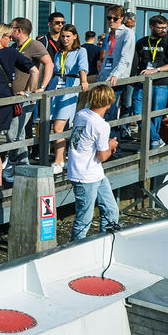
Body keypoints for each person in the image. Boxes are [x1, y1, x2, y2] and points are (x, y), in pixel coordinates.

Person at [0, 23, 38, 198]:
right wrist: (30, 92)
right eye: (8, 37)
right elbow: (34, 71)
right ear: (0, 37)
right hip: (5, 100)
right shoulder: (12, 53)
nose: (11, 40)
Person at [3, 18, 52, 183]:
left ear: (19, 30)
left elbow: (49, 64)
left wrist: (42, 87)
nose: (9, 31)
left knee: (13, 134)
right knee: (19, 133)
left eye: (11, 28)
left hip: (26, 97)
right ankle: (23, 164)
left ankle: (12, 162)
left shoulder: (35, 45)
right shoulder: (13, 47)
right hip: (12, 96)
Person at [68, 84, 120, 240]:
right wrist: (111, 145)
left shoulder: (81, 114)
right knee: (84, 219)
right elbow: (102, 156)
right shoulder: (101, 125)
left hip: (91, 172)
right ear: (108, 103)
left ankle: (105, 241)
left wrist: (106, 145)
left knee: (111, 210)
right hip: (86, 175)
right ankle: (75, 249)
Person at [131, 15, 168, 150]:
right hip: (142, 82)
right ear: (151, 27)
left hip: (161, 82)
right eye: (160, 28)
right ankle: (155, 139)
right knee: (138, 112)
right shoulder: (141, 42)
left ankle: (149, 144)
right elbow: (136, 62)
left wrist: (156, 70)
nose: (164, 30)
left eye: (165, 27)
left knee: (156, 115)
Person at [50, 24, 89, 173]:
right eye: (63, 36)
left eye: (68, 36)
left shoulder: (80, 51)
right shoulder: (59, 52)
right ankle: (64, 159)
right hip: (56, 87)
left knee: (58, 127)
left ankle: (58, 161)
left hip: (70, 87)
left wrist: (84, 81)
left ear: (75, 36)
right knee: (61, 126)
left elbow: (82, 67)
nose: (65, 39)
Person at [97, 5, 136, 154]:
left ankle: (114, 148)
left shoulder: (127, 33)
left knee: (111, 114)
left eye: (115, 18)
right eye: (109, 18)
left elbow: (126, 58)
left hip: (116, 79)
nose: (111, 21)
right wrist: (101, 76)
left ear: (121, 19)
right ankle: (106, 146)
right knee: (103, 113)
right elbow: (107, 58)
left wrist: (116, 75)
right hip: (105, 78)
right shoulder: (110, 35)